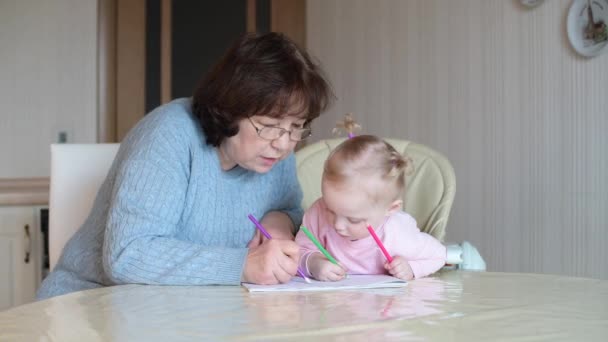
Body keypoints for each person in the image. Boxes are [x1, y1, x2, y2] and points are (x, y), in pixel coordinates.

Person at [37, 32, 334, 299]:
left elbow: (291, 209)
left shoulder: (273, 151)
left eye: (296, 126)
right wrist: (243, 265)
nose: (284, 143)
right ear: (229, 110)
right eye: (269, 125)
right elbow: (127, 256)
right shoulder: (168, 135)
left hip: (190, 309)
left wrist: (279, 220)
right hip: (93, 305)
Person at [295, 135, 446, 281]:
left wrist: (411, 269)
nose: (337, 225)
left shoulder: (399, 234)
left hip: (386, 305)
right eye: (330, 209)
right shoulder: (317, 213)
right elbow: (297, 252)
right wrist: (313, 263)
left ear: (391, 209)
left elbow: (439, 255)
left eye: (353, 220)